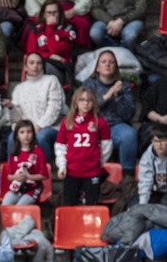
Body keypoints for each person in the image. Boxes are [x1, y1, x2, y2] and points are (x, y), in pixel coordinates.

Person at [82, 49, 137, 177]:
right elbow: (87, 108)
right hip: (94, 126)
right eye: (104, 62)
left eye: (111, 62)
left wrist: (117, 96)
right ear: (97, 68)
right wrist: (109, 94)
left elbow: (129, 114)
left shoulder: (124, 86)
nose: (107, 64)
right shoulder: (89, 85)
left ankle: (127, 178)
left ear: (116, 68)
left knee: (129, 135)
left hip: (116, 127)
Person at [3, 51, 65, 162]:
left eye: (39, 63)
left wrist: (39, 126)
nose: (35, 66)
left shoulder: (51, 80)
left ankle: (45, 171)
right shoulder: (19, 88)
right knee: (12, 138)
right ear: (26, 67)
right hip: (27, 129)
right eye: (31, 63)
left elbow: (55, 108)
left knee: (41, 137)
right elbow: (17, 119)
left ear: (42, 66)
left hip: (50, 127)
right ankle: (12, 171)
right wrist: (11, 108)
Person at [55, 86, 112, 206]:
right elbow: (60, 146)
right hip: (71, 171)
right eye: (82, 100)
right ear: (75, 103)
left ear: (94, 103)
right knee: (69, 205)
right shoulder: (67, 122)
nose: (85, 103)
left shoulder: (100, 122)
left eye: (89, 100)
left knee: (92, 205)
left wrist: (99, 161)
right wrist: (62, 165)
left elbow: (107, 145)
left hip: (92, 172)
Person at [24, 0, 76, 87]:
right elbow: (31, 53)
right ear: (44, 14)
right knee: (37, 64)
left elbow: (56, 50)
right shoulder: (35, 29)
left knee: (45, 66)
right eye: (49, 13)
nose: (52, 15)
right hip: (40, 67)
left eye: (55, 12)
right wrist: (49, 56)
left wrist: (50, 28)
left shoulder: (68, 30)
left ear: (60, 13)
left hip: (61, 69)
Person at [2, 119, 49, 205]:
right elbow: (9, 176)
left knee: (20, 207)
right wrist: (17, 177)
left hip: (33, 189)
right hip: (17, 189)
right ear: (17, 135)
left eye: (29, 132)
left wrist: (29, 177)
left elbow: (44, 175)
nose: (26, 135)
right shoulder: (14, 153)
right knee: (5, 204)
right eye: (22, 132)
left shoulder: (38, 152)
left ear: (33, 134)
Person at [137, 127, 167, 206]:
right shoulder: (146, 158)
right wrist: (142, 206)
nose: (159, 145)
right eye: (156, 141)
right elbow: (145, 182)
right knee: (134, 206)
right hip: (154, 190)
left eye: (163, 141)